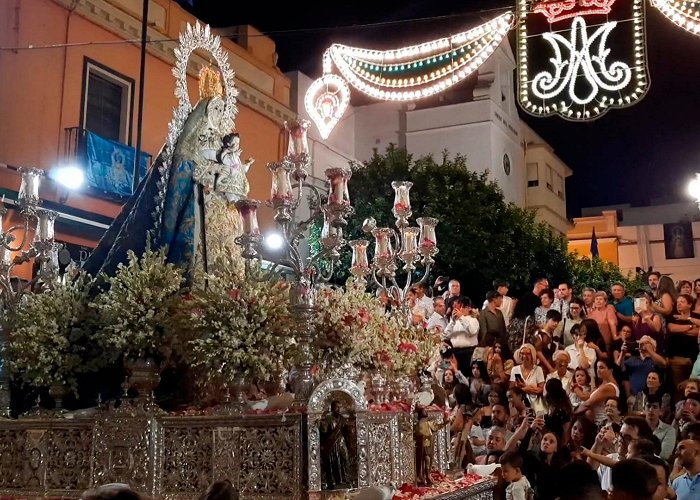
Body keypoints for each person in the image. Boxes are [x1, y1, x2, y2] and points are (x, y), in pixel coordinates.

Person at [83, 69, 246, 286]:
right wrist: (209, 172)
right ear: (204, 111)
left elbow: (231, 168)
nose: (218, 112)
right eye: (215, 107)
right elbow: (185, 167)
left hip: (221, 209)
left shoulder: (224, 142)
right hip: (198, 203)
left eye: (221, 108)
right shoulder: (193, 137)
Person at [320, 401, 352, 489]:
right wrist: (322, 425)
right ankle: (335, 481)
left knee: (344, 459)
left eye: (339, 407)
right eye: (336, 407)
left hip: (341, 443)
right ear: (332, 408)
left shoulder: (343, 419)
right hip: (332, 444)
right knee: (334, 462)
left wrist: (348, 431)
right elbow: (324, 431)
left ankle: (345, 479)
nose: (338, 409)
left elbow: (346, 433)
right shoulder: (328, 419)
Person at [671, 436, 700, 500]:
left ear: (696, 452)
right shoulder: (677, 482)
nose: (676, 453)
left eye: (682, 448)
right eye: (676, 450)